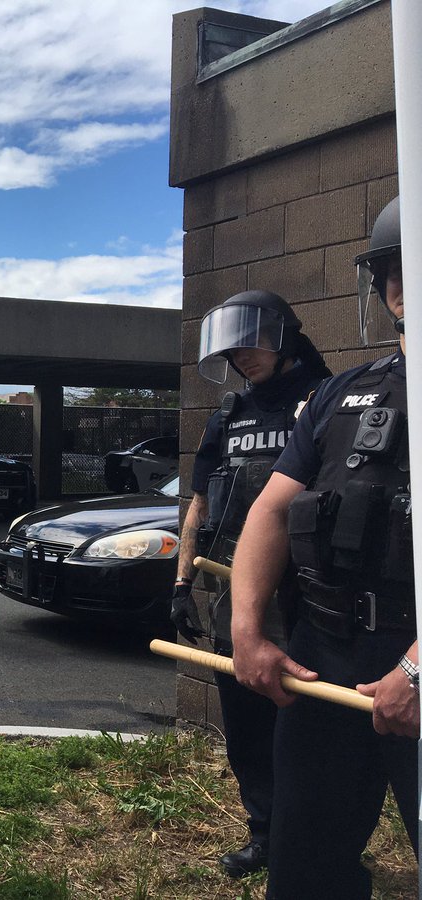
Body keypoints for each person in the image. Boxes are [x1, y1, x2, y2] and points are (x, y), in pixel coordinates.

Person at [231, 196, 418, 899]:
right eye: (394, 267)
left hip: (417, 664)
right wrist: (249, 631)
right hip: (326, 659)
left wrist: (417, 671)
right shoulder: (342, 395)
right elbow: (270, 515)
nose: (406, 280)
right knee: (306, 861)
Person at [171, 289, 331, 878]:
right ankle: (264, 835)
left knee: (305, 730)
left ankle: (311, 838)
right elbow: (197, 503)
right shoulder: (229, 415)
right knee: (246, 727)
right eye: (232, 349)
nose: (243, 356)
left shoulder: (325, 401)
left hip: (308, 598)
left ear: (285, 335)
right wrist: (182, 582)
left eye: (254, 341)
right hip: (235, 597)